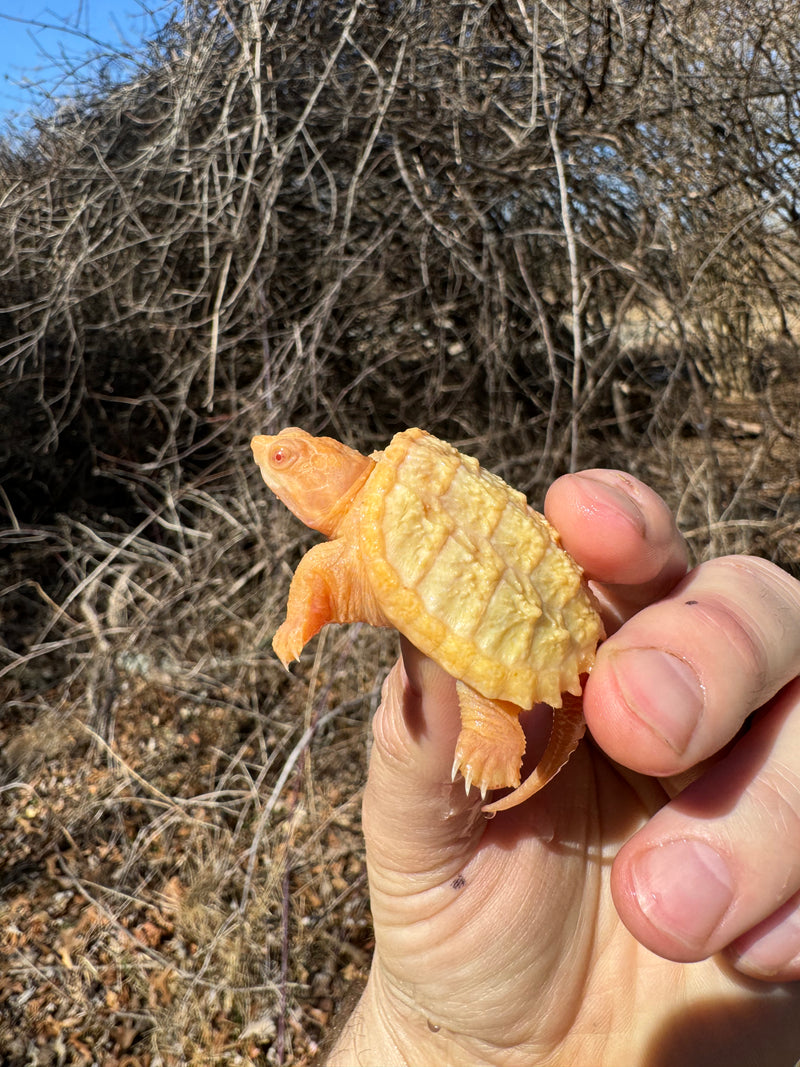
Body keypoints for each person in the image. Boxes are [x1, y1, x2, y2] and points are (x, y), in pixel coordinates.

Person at [326, 469, 800, 1066]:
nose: (272, 461)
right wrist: (425, 1043)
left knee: (486, 684)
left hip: (528, 643)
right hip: (516, 642)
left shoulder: (390, 497)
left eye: (288, 459)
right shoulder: (399, 490)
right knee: (476, 679)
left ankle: (508, 731)